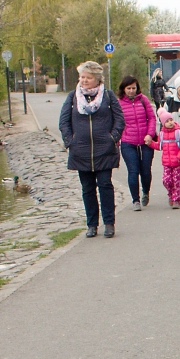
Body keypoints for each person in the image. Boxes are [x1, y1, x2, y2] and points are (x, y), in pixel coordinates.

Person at [59, 61, 124, 238]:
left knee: (105, 185)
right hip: (81, 152)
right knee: (87, 188)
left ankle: (109, 223)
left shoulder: (108, 97)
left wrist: (113, 138)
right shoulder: (73, 97)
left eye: (88, 77)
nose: (84, 81)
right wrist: (70, 141)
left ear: (97, 79)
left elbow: (119, 119)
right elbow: (63, 122)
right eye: (82, 77)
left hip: (104, 150)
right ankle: (92, 224)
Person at [116, 75, 157, 211]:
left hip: (146, 141)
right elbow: (117, 122)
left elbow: (151, 118)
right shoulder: (119, 103)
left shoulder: (143, 100)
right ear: (124, 89)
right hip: (128, 141)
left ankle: (146, 191)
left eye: (134, 88)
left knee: (145, 170)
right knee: (133, 171)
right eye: (129, 88)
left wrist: (150, 134)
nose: (131, 91)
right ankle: (135, 199)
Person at [149, 109, 180, 209]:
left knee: (176, 181)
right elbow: (159, 146)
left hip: (177, 163)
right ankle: (170, 194)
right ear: (163, 124)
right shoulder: (162, 134)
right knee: (166, 180)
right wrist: (150, 143)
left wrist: (179, 157)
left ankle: (176, 200)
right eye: (167, 121)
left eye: (171, 120)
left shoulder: (179, 133)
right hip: (166, 163)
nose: (170, 123)